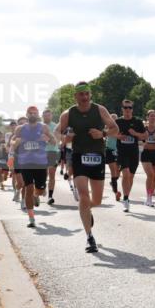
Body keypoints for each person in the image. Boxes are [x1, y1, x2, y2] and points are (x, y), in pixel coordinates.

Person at [57, 82, 120, 253]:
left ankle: (86, 210)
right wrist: (66, 138)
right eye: (81, 94)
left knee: (96, 201)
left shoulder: (100, 110)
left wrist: (103, 134)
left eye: (87, 94)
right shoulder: (68, 114)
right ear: (75, 96)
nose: (84, 97)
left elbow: (115, 128)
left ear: (90, 95)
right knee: (84, 196)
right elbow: (57, 134)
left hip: (97, 157)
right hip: (78, 157)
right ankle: (89, 237)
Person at [14, 106, 56, 228]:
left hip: (41, 163)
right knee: (28, 188)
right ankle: (31, 218)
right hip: (25, 163)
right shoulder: (20, 129)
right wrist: (15, 142)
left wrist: (48, 138)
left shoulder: (43, 127)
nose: (32, 115)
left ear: (37, 115)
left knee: (40, 190)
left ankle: (36, 195)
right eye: (30, 113)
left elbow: (54, 141)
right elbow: (11, 142)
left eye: (35, 113)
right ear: (27, 115)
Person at [114, 100, 146, 212]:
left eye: (129, 108)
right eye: (125, 107)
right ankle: (126, 199)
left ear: (132, 109)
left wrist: (135, 134)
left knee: (130, 177)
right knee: (126, 174)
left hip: (134, 152)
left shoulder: (137, 121)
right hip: (122, 152)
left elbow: (144, 136)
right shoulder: (118, 121)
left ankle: (126, 194)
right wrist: (118, 137)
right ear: (122, 109)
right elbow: (110, 133)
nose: (127, 109)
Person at [42, 109, 60, 205]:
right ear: (42, 116)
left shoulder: (56, 126)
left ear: (51, 116)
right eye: (45, 115)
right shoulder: (39, 126)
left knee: (51, 174)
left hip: (53, 152)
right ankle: (41, 188)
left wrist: (48, 139)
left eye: (48, 115)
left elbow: (56, 141)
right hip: (41, 153)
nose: (47, 117)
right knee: (43, 175)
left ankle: (50, 196)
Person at [105, 113, 120, 201]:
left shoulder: (119, 128)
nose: (114, 120)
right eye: (112, 119)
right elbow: (112, 135)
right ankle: (116, 192)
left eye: (115, 119)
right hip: (110, 150)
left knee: (118, 171)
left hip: (119, 151)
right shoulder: (108, 129)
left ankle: (113, 182)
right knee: (113, 170)